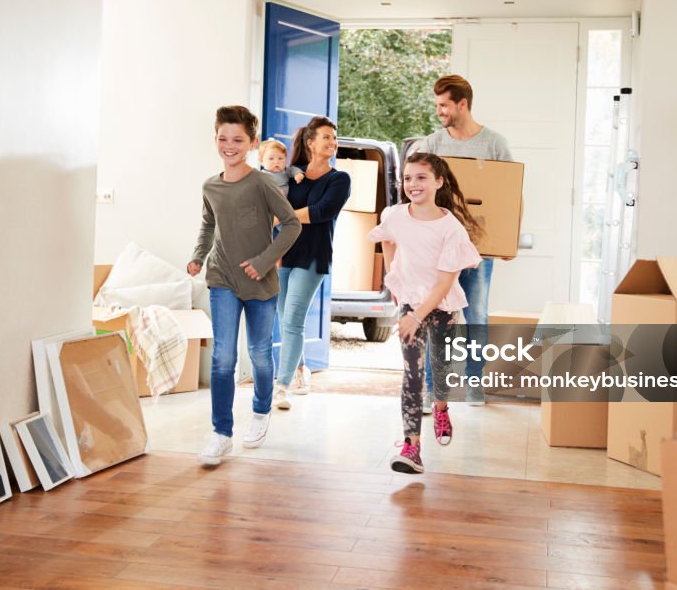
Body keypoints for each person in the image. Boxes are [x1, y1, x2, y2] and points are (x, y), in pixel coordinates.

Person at [188, 105, 301, 466]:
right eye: (223, 138)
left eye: (237, 139)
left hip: (260, 283)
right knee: (223, 358)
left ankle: (261, 410)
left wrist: (264, 261)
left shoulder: (262, 184)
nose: (229, 145)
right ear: (215, 140)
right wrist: (198, 255)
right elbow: (209, 225)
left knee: (259, 353)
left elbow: (291, 224)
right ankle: (221, 434)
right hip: (222, 277)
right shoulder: (210, 185)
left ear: (252, 143)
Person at [368, 152, 482, 474]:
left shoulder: (451, 228)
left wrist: (416, 315)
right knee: (413, 376)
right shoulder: (394, 214)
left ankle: (442, 406)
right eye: (407, 178)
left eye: (421, 177)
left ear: (438, 182)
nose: (413, 184)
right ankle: (412, 448)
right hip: (411, 304)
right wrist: (395, 283)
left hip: (441, 307)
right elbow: (386, 239)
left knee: (440, 373)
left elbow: (445, 283)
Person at [416, 74, 514, 410]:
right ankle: (433, 389)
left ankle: (474, 383)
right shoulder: (431, 145)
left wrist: (507, 240)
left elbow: (510, 193)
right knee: (436, 315)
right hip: (437, 247)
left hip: (477, 248)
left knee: (476, 316)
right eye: (437, 105)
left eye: (444, 105)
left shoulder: (493, 143)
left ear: (462, 104)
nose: (439, 111)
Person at [273, 116, 351, 409]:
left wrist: (282, 218)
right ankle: (300, 369)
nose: (333, 142)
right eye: (326, 137)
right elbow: (273, 201)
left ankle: (281, 387)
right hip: (284, 252)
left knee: (292, 318)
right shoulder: (293, 175)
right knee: (284, 319)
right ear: (310, 143)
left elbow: (322, 211)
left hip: (314, 255)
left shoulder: (339, 179)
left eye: (334, 137)